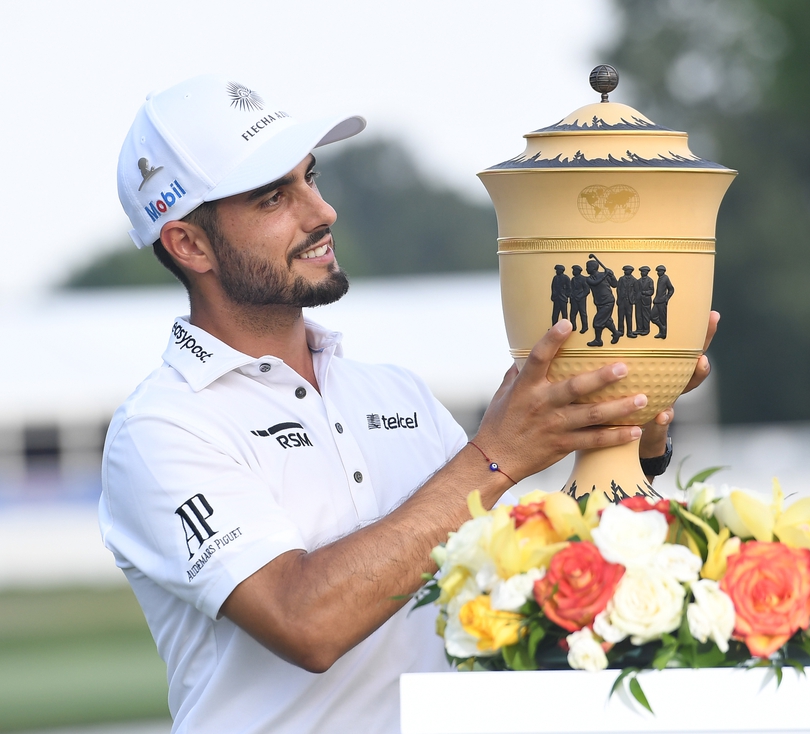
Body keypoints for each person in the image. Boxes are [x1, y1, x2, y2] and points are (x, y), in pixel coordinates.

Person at [101, 75, 716, 734]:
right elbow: (304, 621)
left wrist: (627, 448)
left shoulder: (394, 391)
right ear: (189, 245)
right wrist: (495, 456)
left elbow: (523, 574)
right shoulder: (162, 427)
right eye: (274, 197)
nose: (321, 212)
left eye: (311, 178)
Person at [583, 258, 621, 347]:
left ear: (593, 268)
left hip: (608, 301)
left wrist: (612, 275)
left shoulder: (604, 274)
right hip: (599, 302)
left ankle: (598, 340)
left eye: (587, 267)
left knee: (597, 321)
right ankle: (616, 333)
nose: (586, 269)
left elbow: (615, 284)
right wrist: (605, 274)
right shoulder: (589, 279)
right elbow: (595, 283)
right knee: (607, 320)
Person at [652, 264, 675, 339]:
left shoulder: (665, 278)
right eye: (657, 271)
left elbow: (671, 289)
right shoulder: (660, 278)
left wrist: (667, 298)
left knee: (662, 318)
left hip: (662, 302)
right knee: (652, 317)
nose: (658, 273)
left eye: (659, 271)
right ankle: (662, 328)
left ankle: (663, 333)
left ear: (663, 271)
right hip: (657, 301)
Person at [616, 264, 639, 338]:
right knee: (620, 317)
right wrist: (618, 298)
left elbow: (637, 291)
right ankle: (620, 331)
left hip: (629, 301)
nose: (625, 272)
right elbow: (618, 289)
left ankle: (629, 332)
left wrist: (634, 300)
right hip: (621, 301)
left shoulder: (634, 280)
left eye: (626, 270)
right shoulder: (621, 279)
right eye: (624, 270)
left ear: (630, 271)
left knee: (629, 317)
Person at [568, 263, 589, 333]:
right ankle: (573, 327)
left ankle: (585, 327)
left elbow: (587, 290)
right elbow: (570, 289)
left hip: (581, 299)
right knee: (572, 314)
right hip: (574, 299)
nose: (573, 272)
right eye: (573, 270)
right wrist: (570, 295)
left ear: (578, 271)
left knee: (583, 313)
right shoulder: (572, 279)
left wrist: (580, 296)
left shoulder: (583, 279)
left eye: (574, 270)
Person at [635, 265, 654, 336]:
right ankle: (639, 329)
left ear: (647, 272)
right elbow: (635, 290)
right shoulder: (638, 281)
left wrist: (644, 292)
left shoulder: (650, 280)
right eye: (641, 272)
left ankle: (646, 329)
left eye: (643, 271)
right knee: (638, 315)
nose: (642, 273)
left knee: (646, 315)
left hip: (646, 300)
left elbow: (651, 291)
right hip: (638, 301)